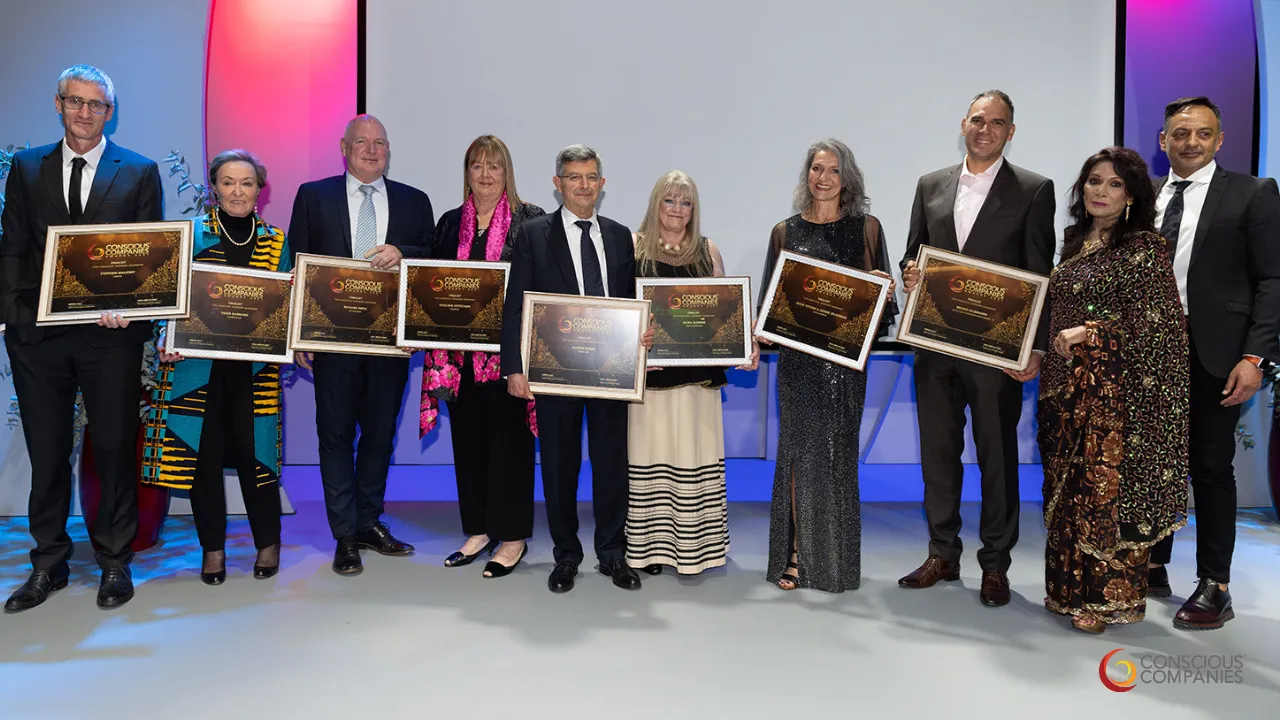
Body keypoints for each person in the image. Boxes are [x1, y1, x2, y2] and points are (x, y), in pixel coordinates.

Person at [1, 65, 163, 611]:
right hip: (38, 338)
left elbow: (148, 257)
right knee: (47, 453)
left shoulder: (138, 171)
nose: (84, 112)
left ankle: (115, 561)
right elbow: (13, 245)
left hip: (109, 339)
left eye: (96, 104)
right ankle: (48, 564)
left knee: (114, 448)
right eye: (75, 101)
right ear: (58, 104)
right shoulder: (27, 167)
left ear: (109, 112)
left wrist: (131, 313)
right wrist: (12, 321)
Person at [897, 90, 1055, 607]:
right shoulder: (930, 185)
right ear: (963, 124)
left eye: (997, 123)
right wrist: (910, 272)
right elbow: (913, 252)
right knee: (938, 455)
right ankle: (942, 553)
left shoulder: (1033, 189)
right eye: (978, 120)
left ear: (1011, 132)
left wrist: (1034, 349)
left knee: (997, 457)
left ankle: (995, 565)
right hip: (935, 346)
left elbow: (1039, 273)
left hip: (996, 354)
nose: (986, 129)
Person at [1039, 147, 1189, 634]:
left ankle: (1106, 602)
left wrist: (1093, 332)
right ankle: (1066, 592)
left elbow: (1159, 327)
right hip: (1062, 389)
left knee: (1103, 494)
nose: (1100, 191)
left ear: (1132, 196)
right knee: (1066, 493)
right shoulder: (1074, 242)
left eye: (1114, 184)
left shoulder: (1144, 248)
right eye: (1093, 181)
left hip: (1113, 400)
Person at [1146, 97, 1280, 630]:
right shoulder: (1143, 197)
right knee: (1152, 461)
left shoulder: (1253, 193)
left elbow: (1273, 279)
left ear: (1219, 140)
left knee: (1209, 466)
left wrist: (1255, 356)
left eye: (1203, 133)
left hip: (1219, 355)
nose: (1191, 142)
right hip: (1149, 352)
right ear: (1163, 141)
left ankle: (1214, 585)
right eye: (1180, 133)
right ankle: (1152, 565)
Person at [500, 144, 654, 594]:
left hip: (610, 371)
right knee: (559, 466)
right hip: (554, 371)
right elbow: (515, 306)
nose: (583, 185)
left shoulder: (620, 235)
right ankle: (566, 555)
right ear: (558, 183)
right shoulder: (533, 234)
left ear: (601, 184)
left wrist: (644, 333)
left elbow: (633, 301)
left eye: (590, 177)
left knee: (611, 464)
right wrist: (514, 368)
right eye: (574, 177)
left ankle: (612, 553)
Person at [287, 115, 434, 575]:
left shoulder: (415, 200)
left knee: (379, 435)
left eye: (380, 143)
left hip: (390, 344)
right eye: (362, 142)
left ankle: (369, 522)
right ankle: (344, 535)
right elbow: (297, 262)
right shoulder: (313, 196)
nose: (372, 150)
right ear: (344, 148)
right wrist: (299, 332)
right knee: (334, 437)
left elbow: (432, 259)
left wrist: (404, 253)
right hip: (333, 341)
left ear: (389, 150)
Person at [142, 150, 290, 584]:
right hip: (196, 370)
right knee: (202, 461)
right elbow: (166, 297)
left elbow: (284, 307)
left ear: (260, 190)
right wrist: (165, 336)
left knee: (256, 459)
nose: (237, 191)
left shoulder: (277, 242)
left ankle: (268, 543)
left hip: (254, 371)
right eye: (228, 182)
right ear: (214, 188)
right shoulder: (190, 234)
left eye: (247, 183)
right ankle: (213, 551)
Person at [756, 139, 896, 593]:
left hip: (843, 368)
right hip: (797, 366)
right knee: (797, 456)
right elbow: (769, 305)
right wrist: (762, 329)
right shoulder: (784, 232)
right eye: (817, 168)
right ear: (807, 175)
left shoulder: (868, 229)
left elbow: (880, 309)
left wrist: (882, 290)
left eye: (834, 170)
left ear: (847, 178)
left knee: (837, 457)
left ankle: (835, 562)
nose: (824, 178)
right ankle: (796, 554)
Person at [421, 135, 543, 578]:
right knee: (468, 444)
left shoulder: (531, 221)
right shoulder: (450, 223)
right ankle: (477, 529)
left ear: (507, 172)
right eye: (477, 166)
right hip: (458, 360)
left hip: (509, 358)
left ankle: (512, 538)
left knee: (510, 447)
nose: (486, 175)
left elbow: (540, 289)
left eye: (494, 166)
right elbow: (430, 285)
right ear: (467, 173)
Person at [625, 170, 757, 576]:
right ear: (656, 203)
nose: (677, 209)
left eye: (686, 202)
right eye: (669, 200)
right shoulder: (632, 247)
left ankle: (698, 549)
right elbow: (621, 308)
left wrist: (744, 343)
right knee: (651, 459)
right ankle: (649, 551)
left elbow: (725, 312)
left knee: (694, 459)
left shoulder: (707, 250)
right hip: (651, 380)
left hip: (698, 384)